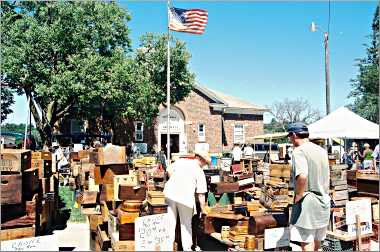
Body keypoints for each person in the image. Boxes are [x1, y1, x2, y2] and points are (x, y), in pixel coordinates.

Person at [287, 122, 330, 251]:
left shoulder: (299, 151)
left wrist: (298, 196)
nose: (290, 140)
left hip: (307, 203)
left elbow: (303, 175)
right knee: (317, 241)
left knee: (306, 242)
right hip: (323, 202)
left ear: (294, 135)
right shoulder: (321, 150)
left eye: (290, 136)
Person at [163, 151, 209, 251]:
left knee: (170, 223)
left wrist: (176, 182)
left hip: (170, 194)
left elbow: (169, 170)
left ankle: (167, 248)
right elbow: (201, 194)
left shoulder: (181, 161)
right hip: (185, 198)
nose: (205, 165)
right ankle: (187, 249)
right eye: (205, 163)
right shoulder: (199, 171)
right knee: (186, 225)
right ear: (202, 160)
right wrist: (203, 209)